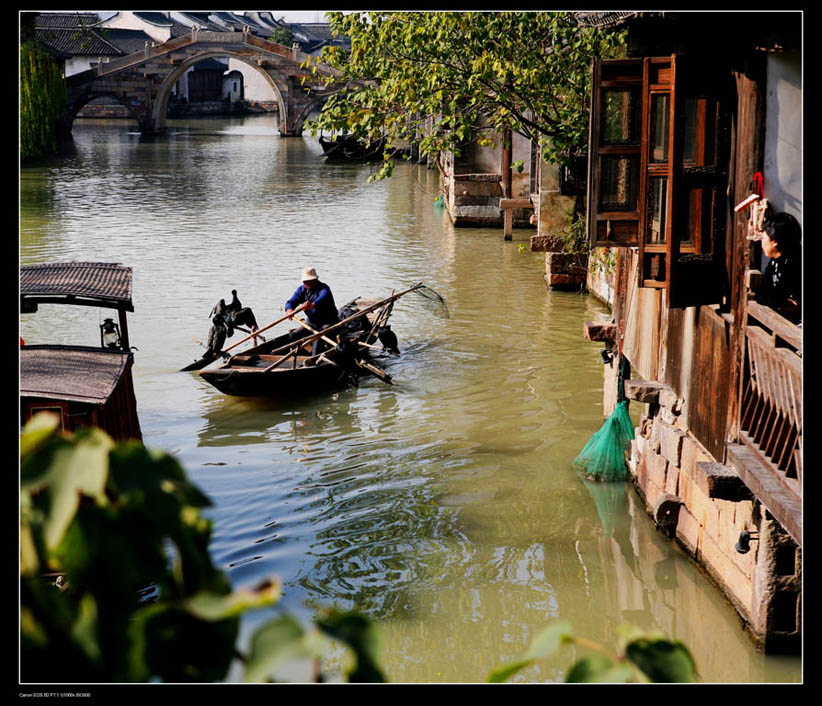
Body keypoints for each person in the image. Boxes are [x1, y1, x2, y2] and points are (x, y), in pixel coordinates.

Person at [754, 212, 802, 324]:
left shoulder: (795, 263)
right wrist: (780, 302)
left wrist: (779, 301)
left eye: (763, 238)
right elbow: (761, 294)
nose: (762, 243)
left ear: (774, 242)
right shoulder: (775, 261)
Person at [284, 267, 339, 356]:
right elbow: (291, 301)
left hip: (328, 322)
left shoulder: (324, 288)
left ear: (316, 280)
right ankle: (299, 357)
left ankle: (314, 359)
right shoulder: (302, 289)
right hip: (311, 322)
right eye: (305, 282)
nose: (307, 284)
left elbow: (323, 297)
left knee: (317, 338)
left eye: (310, 281)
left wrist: (313, 304)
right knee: (294, 336)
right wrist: (289, 309)